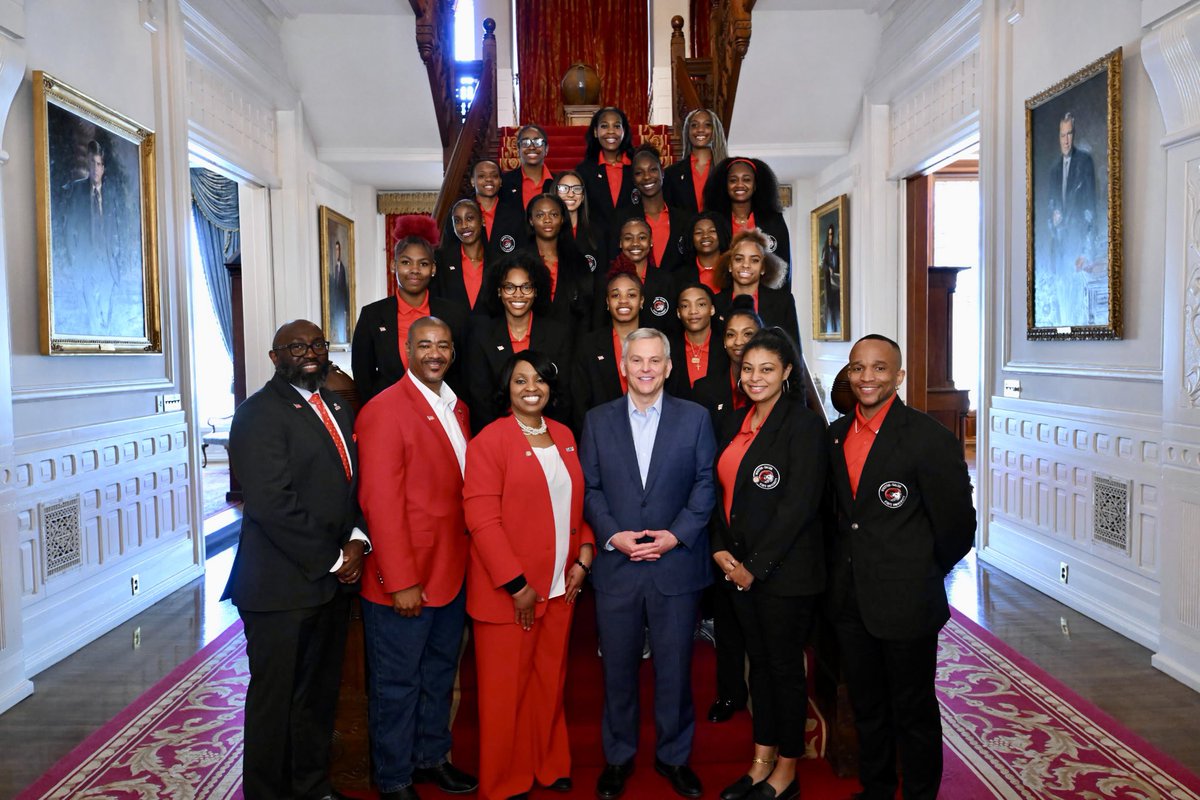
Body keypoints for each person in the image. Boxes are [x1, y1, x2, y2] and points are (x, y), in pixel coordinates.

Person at [221, 319, 368, 800]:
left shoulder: (336, 409)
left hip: (327, 584)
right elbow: (271, 503)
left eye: (317, 344)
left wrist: (357, 540)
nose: (309, 352)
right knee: (275, 703)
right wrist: (333, 556)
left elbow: (347, 489)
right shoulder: (257, 414)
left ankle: (312, 785)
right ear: (275, 357)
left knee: (317, 698)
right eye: (296, 346)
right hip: (278, 590)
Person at [827, 334, 976, 800]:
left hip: (906, 602)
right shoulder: (833, 436)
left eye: (878, 368)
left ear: (899, 376)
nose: (867, 377)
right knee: (867, 707)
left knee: (912, 711)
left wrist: (917, 573)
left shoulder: (927, 438)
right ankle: (875, 790)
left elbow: (957, 527)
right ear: (848, 375)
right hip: (850, 600)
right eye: (858, 368)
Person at [580, 328, 717, 800]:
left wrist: (675, 535)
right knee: (616, 670)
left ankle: (673, 757)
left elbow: (705, 484)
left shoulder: (695, 418)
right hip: (617, 566)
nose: (645, 369)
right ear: (623, 365)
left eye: (654, 361)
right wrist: (612, 535)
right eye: (636, 360)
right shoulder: (597, 421)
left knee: (676, 670)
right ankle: (618, 757)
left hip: (674, 566)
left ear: (669, 366)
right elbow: (590, 488)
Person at [354, 317, 478, 800]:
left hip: (450, 573)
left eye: (443, 345)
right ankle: (393, 778)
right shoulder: (385, 410)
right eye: (424, 344)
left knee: (439, 675)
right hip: (405, 582)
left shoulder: (457, 407)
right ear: (406, 349)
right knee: (397, 684)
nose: (434, 353)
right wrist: (399, 580)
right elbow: (379, 503)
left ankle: (431, 758)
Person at [463, 351, 596, 800]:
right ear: (508, 387)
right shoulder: (491, 439)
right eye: (521, 380)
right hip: (511, 594)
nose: (531, 387)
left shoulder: (563, 435)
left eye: (539, 379)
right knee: (505, 694)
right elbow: (481, 518)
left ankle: (548, 762)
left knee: (549, 682)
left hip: (562, 588)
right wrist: (516, 584)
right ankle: (504, 779)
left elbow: (576, 504)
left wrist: (584, 555)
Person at [711, 328, 827, 800]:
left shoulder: (803, 426)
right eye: (748, 368)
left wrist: (752, 567)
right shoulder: (735, 423)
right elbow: (719, 493)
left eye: (767, 369)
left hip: (784, 574)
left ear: (787, 373)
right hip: (737, 571)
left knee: (784, 670)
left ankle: (787, 769)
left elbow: (798, 507)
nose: (754, 377)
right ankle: (760, 761)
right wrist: (721, 548)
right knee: (757, 666)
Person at [689, 296, 760, 726]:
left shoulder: (779, 390)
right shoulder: (706, 389)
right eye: (730, 334)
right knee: (727, 616)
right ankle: (730, 692)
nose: (737, 343)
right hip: (721, 507)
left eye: (747, 334)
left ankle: (761, 696)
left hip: (765, 518)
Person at [351, 219, 469, 404]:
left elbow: (465, 371)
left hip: (444, 411)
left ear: (433, 269)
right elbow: (362, 375)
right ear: (393, 266)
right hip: (390, 412)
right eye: (406, 262)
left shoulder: (454, 314)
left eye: (423, 264)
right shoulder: (372, 315)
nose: (414, 270)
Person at [467, 252, 573, 433]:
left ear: (536, 291)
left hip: (546, 433)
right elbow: (479, 398)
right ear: (499, 291)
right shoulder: (481, 335)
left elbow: (563, 395)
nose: (518, 295)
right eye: (510, 287)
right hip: (497, 436)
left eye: (526, 287)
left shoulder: (558, 334)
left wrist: (539, 432)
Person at [572, 266, 644, 430]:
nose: (623, 300)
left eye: (631, 295)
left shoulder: (657, 342)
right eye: (615, 295)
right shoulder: (588, 345)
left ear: (641, 301)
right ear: (607, 302)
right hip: (603, 435)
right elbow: (580, 403)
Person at [1044, 111, 1097, 326]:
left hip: (1078, 250)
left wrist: (1086, 251)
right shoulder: (1053, 171)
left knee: (1077, 315)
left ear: (1074, 135)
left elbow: (1091, 210)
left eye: (1069, 134)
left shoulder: (1085, 163)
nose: (1066, 140)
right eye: (1062, 135)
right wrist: (1053, 220)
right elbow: (1049, 212)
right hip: (1059, 251)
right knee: (1061, 319)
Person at [704, 157, 792, 285]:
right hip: (723, 298)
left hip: (764, 300)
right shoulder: (713, 222)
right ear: (725, 185)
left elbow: (784, 268)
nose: (740, 184)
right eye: (733, 180)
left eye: (746, 179)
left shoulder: (773, 221)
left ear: (755, 185)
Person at [714, 229, 800, 345]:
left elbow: (793, 349)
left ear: (763, 268)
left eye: (754, 260)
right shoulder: (716, 303)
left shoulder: (783, 302)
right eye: (739, 259)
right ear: (730, 265)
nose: (745, 265)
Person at [524, 193, 594, 335]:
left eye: (554, 215)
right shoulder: (519, 261)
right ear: (531, 220)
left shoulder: (578, 260)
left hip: (570, 341)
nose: (547, 220)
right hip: (531, 340)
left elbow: (585, 309)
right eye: (540, 215)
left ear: (562, 219)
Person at [618, 145, 690, 274]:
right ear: (633, 179)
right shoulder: (622, 219)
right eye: (639, 173)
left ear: (662, 173)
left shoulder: (684, 220)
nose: (647, 177)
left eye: (653, 170)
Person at [575, 107, 636, 244]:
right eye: (604, 126)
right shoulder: (584, 171)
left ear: (624, 131)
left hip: (632, 245)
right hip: (596, 244)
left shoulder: (637, 167)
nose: (610, 131)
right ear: (596, 132)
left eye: (616, 126)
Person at [663, 108, 728, 214]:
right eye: (694, 125)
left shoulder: (727, 170)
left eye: (707, 125)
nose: (700, 129)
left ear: (715, 131)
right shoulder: (671, 173)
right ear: (687, 131)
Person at [670, 282, 727, 400]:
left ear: (712, 309)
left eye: (701, 304)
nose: (693, 311)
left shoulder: (726, 346)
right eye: (685, 306)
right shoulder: (668, 349)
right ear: (678, 313)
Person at [433, 199, 490, 314]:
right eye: (457, 221)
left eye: (469, 218)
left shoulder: (499, 261)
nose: (464, 225)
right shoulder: (440, 260)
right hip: (451, 331)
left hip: (490, 331)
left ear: (482, 220)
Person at [555, 169, 607, 276]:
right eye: (564, 189)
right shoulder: (546, 231)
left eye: (577, 189)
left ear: (583, 196)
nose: (570, 194)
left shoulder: (596, 232)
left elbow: (602, 275)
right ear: (555, 193)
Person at [501, 124, 555, 214]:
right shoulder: (504, 182)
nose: (532, 147)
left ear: (546, 149)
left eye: (538, 142)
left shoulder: (557, 182)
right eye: (525, 143)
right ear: (518, 149)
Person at [684, 211, 732, 294]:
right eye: (699, 232)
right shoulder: (680, 276)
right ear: (691, 238)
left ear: (721, 234)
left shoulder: (733, 270)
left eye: (712, 231)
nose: (705, 236)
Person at [818, 224, 841, 335]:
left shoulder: (837, 250)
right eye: (829, 235)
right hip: (828, 283)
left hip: (836, 283)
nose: (830, 237)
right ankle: (830, 329)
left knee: (836, 307)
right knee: (829, 307)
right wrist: (829, 269)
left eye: (832, 234)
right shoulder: (825, 250)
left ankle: (836, 328)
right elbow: (823, 264)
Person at [328, 240, 351, 342]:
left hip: (341, 304)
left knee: (341, 326)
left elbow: (344, 288)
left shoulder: (342, 268)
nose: (337, 252)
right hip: (334, 303)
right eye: (336, 250)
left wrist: (346, 306)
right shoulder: (334, 268)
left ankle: (342, 341)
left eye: (339, 250)